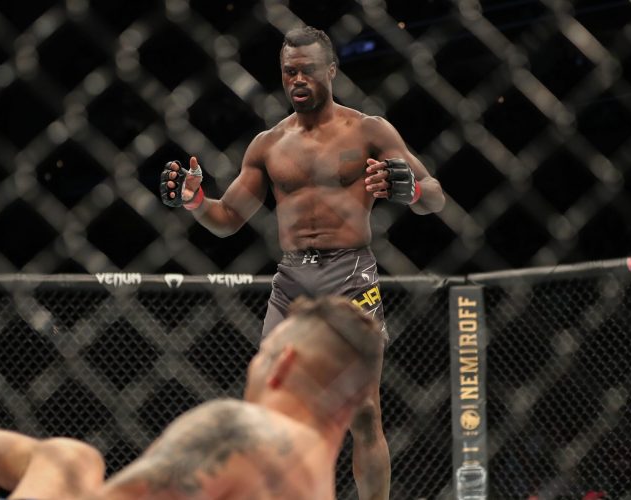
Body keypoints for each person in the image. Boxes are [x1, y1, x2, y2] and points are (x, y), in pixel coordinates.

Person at [160, 25, 445, 500]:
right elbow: (227, 218)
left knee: (364, 412)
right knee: (267, 409)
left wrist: (411, 189)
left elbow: (435, 197)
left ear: (331, 70)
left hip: (350, 275)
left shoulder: (369, 130)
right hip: (292, 278)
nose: (297, 79)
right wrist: (194, 201)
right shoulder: (268, 144)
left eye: (307, 70)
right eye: (289, 71)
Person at [0, 295, 385, 500]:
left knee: (69, 458)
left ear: (282, 363)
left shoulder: (242, 430)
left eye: (262, 354)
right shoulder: (316, 484)